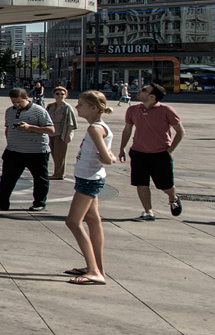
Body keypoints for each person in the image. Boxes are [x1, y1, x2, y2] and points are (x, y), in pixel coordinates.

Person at [64, 90, 117, 285]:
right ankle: (97, 267)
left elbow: (106, 158)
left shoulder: (95, 128)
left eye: (81, 105)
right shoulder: (98, 127)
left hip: (89, 179)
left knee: (73, 222)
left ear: (94, 108)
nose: (77, 107)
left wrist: (109, 157)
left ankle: (94, 271)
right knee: (93, 220)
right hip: (89, 178)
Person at [118, 83, 185, 221]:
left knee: (165, 185)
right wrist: (122, 148)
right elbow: (127, 130)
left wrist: (170, 149)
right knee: (141, 183)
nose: (139, 91)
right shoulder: (132, 110)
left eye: (144, 90)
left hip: (160, 153)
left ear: (152, 97)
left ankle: (173, 198)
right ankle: (148, 211)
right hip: (138, 152)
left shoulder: (166, 110)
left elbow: (180, 132)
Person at [0, 87, 54, 212]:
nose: (16, 105)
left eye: (19, 102)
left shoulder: (39, 111)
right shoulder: (9, 111)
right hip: (13, 150)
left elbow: (50, 129)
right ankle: (3, 201)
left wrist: (29, 127)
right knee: (7, 178)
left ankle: (39, 202)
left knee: (40, 178)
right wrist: (9, 142)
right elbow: (8, 128)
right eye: (13, 102)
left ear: (27, 98)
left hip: (36, 151)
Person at [47, 86, 77, 180]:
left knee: (60, 155)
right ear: (54, 95)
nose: (60, 96)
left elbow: (71, 123)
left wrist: (68, 135)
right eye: (57, 94)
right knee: (54, 154)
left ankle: (59, 174)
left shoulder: (67, 107)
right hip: (50, 133)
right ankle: (57, 172)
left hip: (61, 133)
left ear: (66, 95)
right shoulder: (50, 106)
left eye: (62, 94)